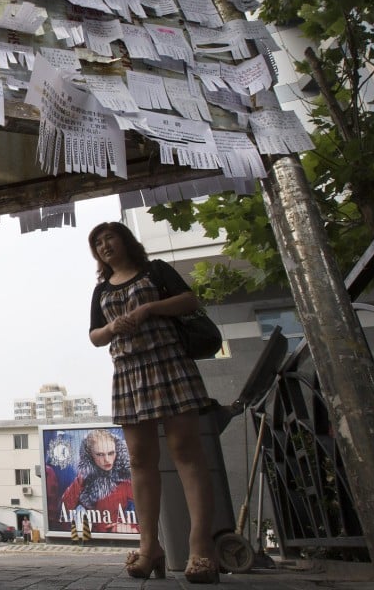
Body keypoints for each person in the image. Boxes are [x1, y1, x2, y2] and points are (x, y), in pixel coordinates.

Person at [87, 221, 219, 584]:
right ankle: (149, 549)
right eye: (97, 242)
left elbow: (190, 300)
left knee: (186, 452)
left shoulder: (155, 270)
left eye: (109, 237)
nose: (104, 245)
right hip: (129, 373)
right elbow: (95, 336)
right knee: (141, 460)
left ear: (125, 240)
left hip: (170, 363)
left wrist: (149, 310)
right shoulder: (100, 290)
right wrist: (113, 328)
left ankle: (200, 548)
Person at [60, 429, 136, 534]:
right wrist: (81, 480)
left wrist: (131, 527)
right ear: (90, 456)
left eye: (111, 453)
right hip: (88, 540)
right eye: (100, 454)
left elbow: (148, 510)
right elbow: (63, 511)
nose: (107, 460)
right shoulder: (83, 479)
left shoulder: (124, 479)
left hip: (115, 537)